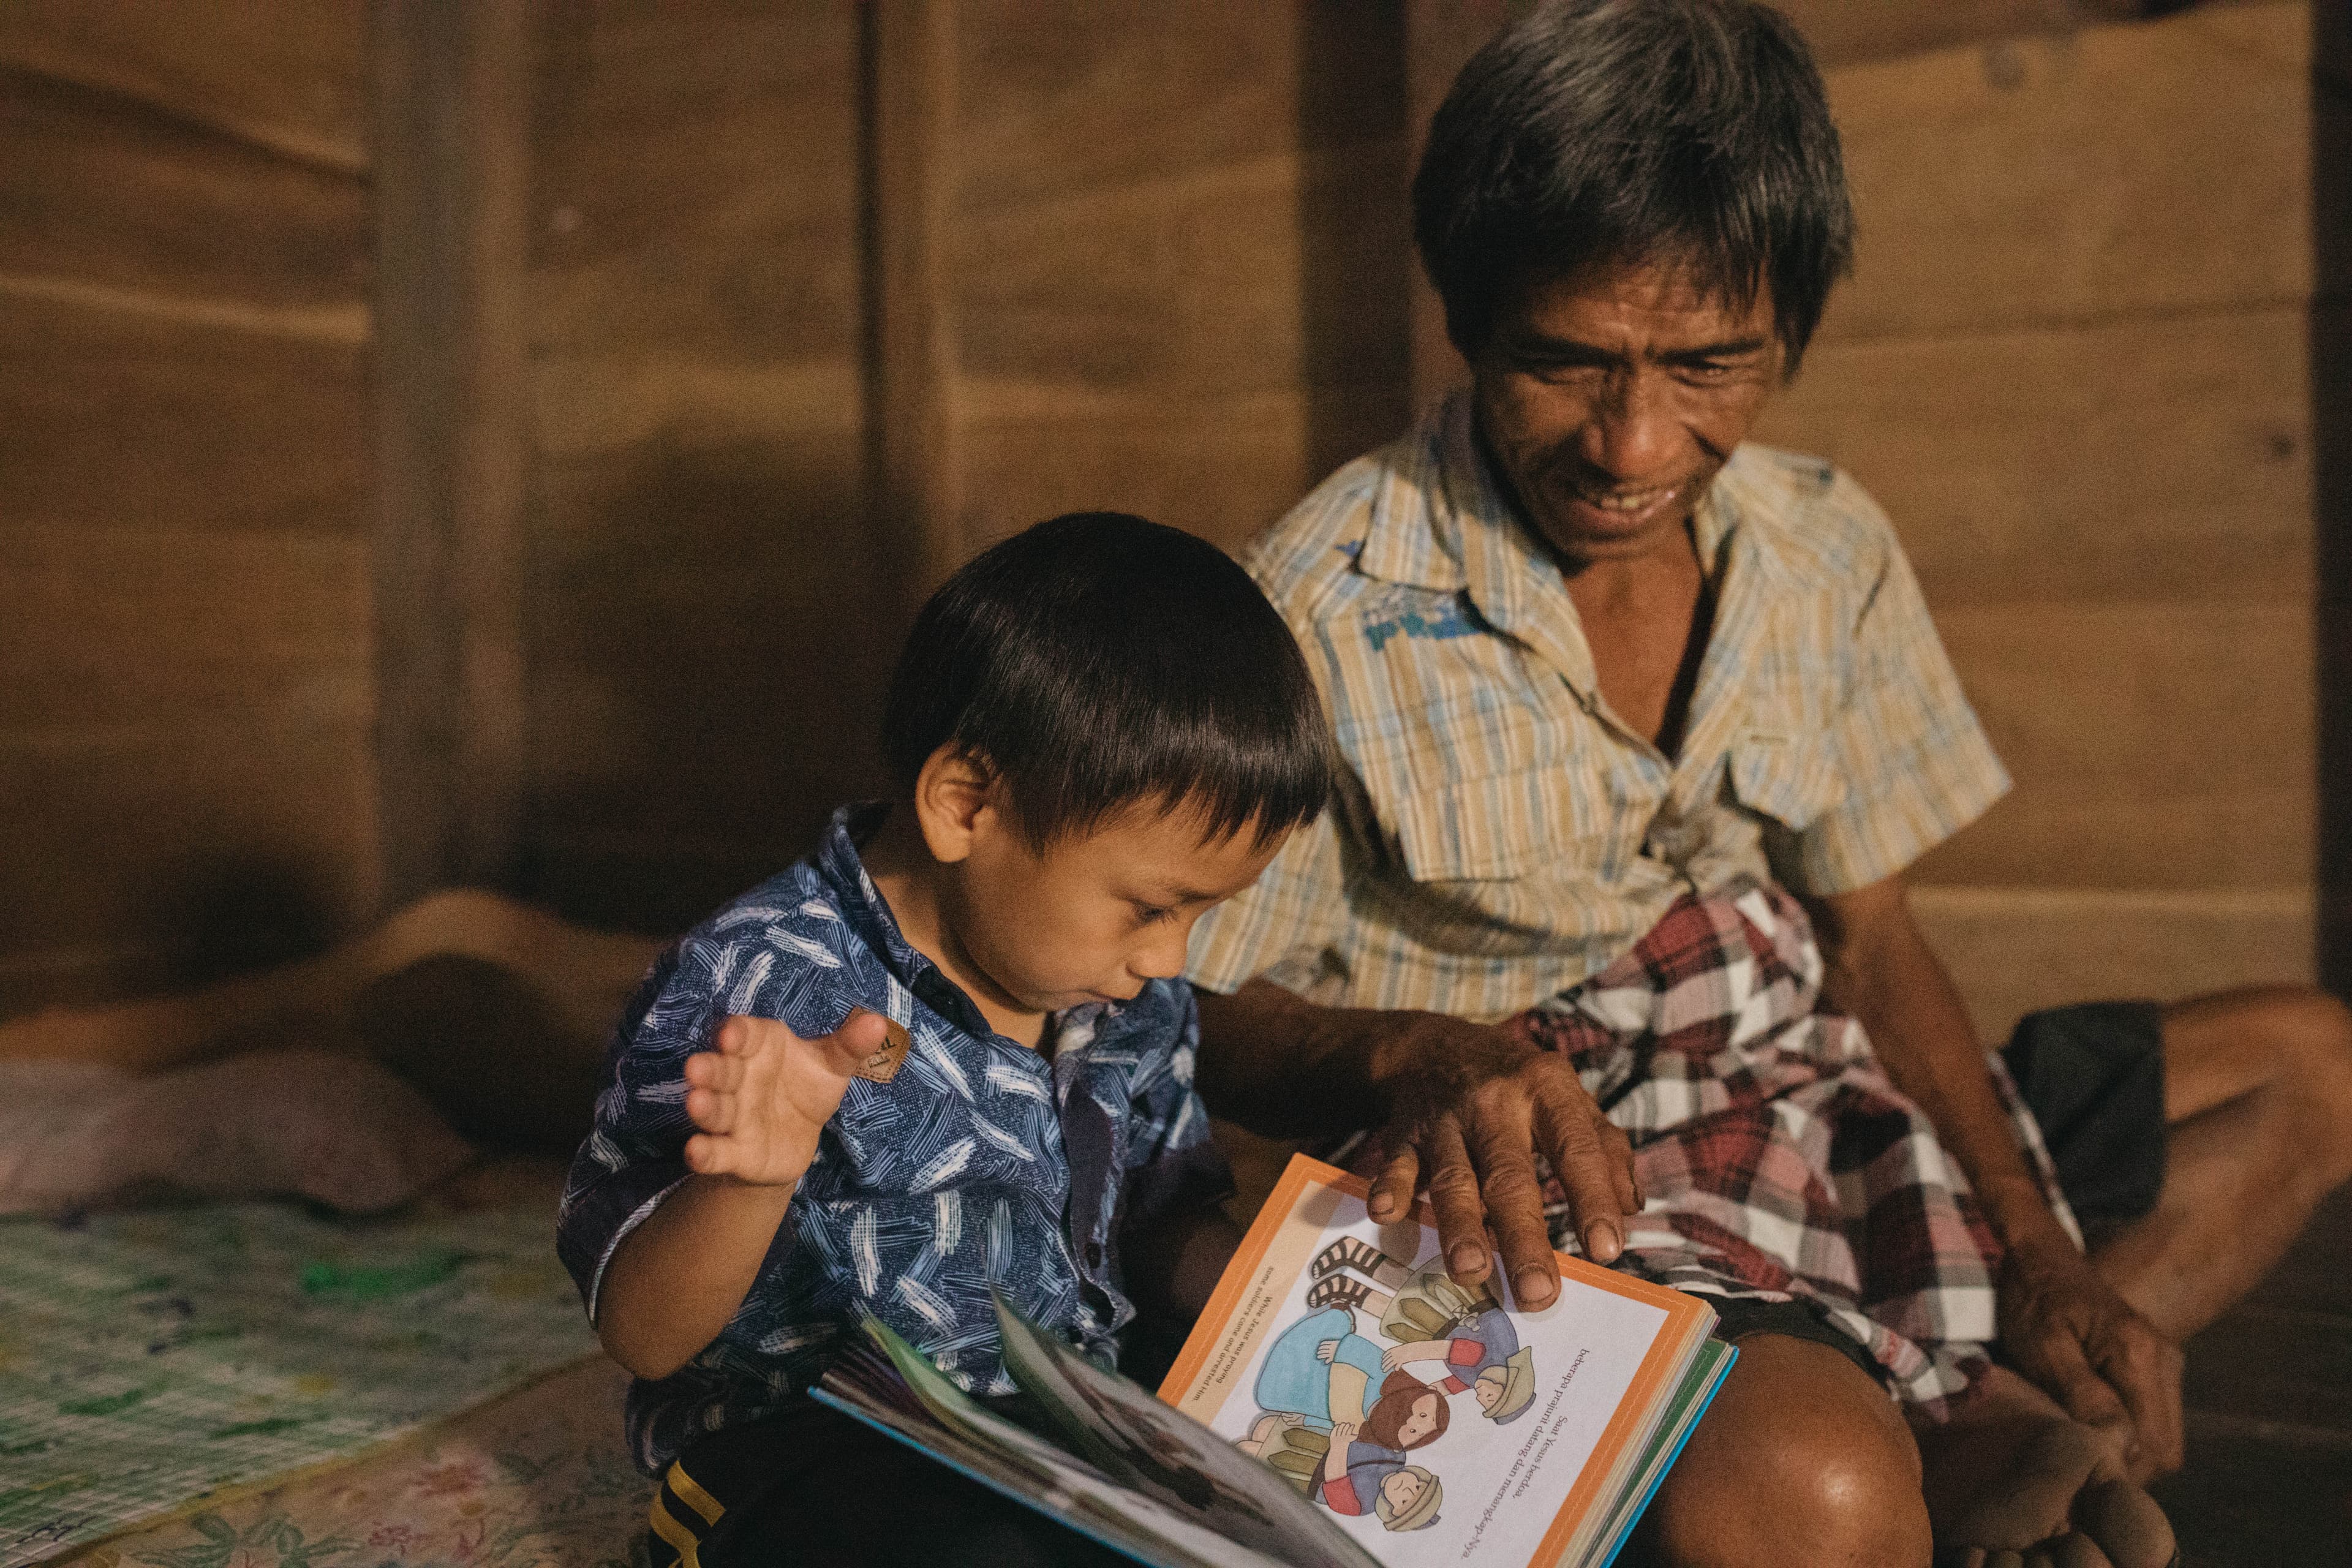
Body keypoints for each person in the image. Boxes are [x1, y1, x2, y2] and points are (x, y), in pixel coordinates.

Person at [1177, 4, 2352, 1566]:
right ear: (1467, 323)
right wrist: (1415, 1050)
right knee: (1816, 1495)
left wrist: (2049, 1255)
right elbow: (1172, 1001)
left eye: (1708, 365)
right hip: (1553, 1176)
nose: (1635, 440)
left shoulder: (1822, 547)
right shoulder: (1322, 607)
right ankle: (1935, 1436)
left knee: (2312, 1064)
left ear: (1785, 332)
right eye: (1568, 364)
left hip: (1808, 1098)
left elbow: (1870, 941)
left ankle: (1964, 1387)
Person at [555, 512, 1332, 1568]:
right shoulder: (763, 988)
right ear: (966, 806)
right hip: (820, 1452)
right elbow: (644, 1336)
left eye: (1202, 916)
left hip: (1075, 1429)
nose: (1169, 958)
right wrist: (750, 1183)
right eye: (1153, 907)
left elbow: (1156, 1224)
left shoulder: (1125, 999)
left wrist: (1317, 1282)